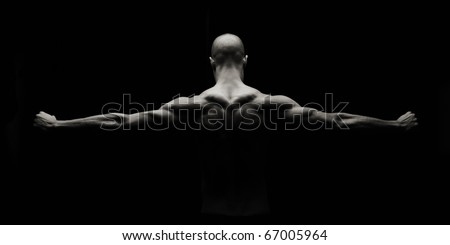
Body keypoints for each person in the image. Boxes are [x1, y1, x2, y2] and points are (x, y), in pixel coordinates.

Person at [34, 33, 418, 219]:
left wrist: (61, 125)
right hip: (259, 215)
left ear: (210, 61)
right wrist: (392, 125)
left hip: (211, 217)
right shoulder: (271, 104)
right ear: (246, 59)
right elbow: (337, 120)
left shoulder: (190, 106)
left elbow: (118, 121)